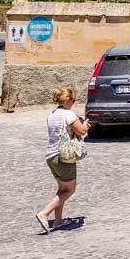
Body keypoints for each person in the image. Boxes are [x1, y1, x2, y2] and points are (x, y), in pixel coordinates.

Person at [36, 87, 89, 234]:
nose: (73, 103)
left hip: (51, 156)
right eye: (73, 100)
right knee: (70, 190)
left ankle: (58, 220)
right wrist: (85, 125)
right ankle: (45, 213)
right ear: (68, 100)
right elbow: (82, 131)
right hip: (63, 157)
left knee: (62, 189)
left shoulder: (52, 114)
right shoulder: (68, 114)